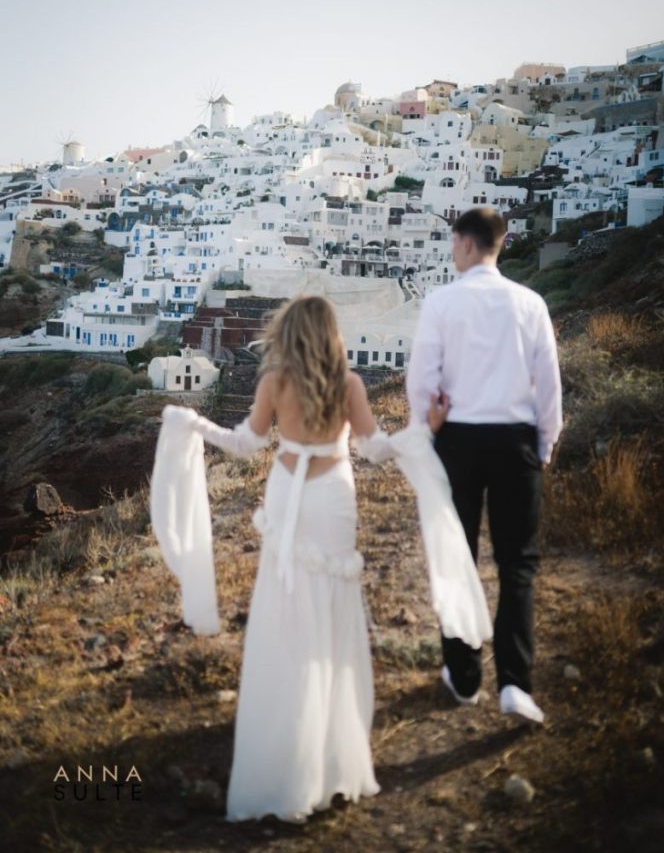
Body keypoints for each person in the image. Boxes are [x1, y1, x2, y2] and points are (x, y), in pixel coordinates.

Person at [150, 294, 491, 823]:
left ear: (288, 333)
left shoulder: (275, 383)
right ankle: (330, 755)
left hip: (289, 492)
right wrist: (426, 429)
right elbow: (374, 450)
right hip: (333, 495)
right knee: (330, 609)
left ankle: (283, 747)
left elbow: (245, 444)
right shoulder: (349, 384)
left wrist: (193, 424)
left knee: (284, 607)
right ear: (332, 335)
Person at [406, 207, 563, 724]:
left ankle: (464, 675)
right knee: (518, 564)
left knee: (459, 556)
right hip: (516, 439)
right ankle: (516, 684)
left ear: (468, 244)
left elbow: (422, 379)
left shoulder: (441, 303)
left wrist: (425, 432)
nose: (453, 250)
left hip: (459, 442)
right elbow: (549, 382)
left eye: (455, 242)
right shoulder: (530, 303)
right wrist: (544, 443)